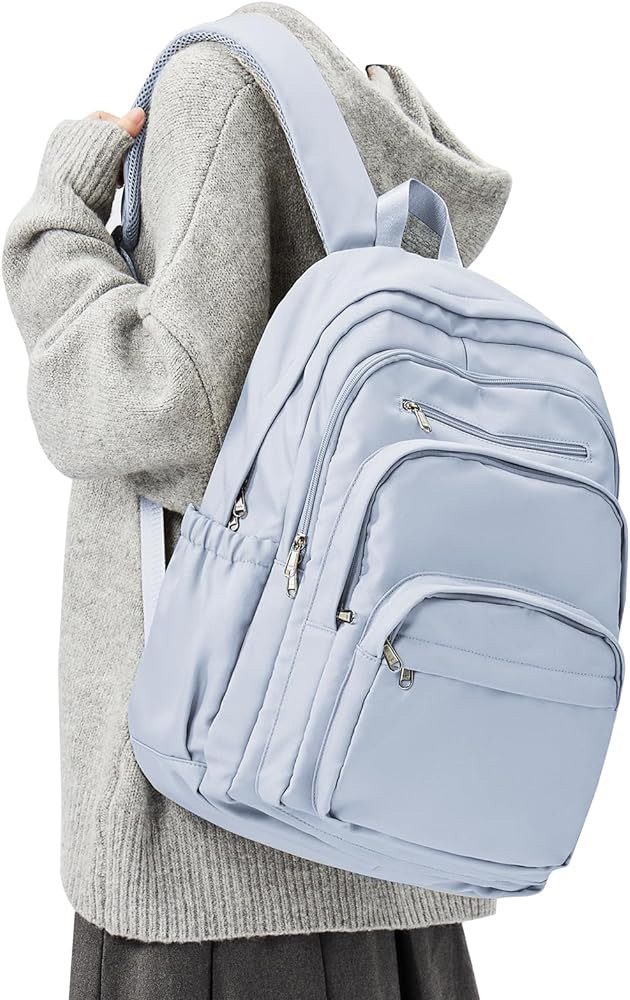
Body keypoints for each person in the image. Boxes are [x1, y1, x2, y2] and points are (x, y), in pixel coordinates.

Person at [3, 5, 510, 997]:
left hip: (220, 865)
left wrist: (56, 226)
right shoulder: (376, 112)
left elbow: (158, 406)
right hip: (391, 827)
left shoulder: (220, 86)